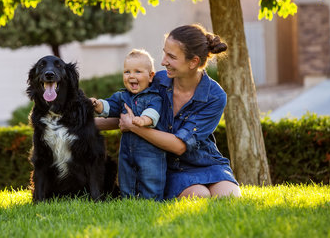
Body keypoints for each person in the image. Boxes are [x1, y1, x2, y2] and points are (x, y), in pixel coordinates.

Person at [95, 24, 241, 199]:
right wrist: (78, 125)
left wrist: (134, 127)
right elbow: (127, 114)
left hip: (206, 162)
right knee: (200, 196)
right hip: (167, 165)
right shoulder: (156, 81)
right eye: (164, 53)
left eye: (171, 56)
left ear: (193, 62)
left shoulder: (215, 96)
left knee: (229, 197)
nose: (163, 61)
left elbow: (179, 145)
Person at [90, 49, 166, 200]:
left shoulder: (154, 97)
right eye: (127, 72)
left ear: (151, 76)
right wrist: (97, 104)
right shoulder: (122, 96)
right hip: (126, 151)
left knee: (151, 178)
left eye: (138, 72)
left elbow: (154, 112)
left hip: (150, 153)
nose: (131, 76)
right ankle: (128, 200)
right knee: (126, 177)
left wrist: (143, 120)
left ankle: (151, 200)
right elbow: (110, 106)